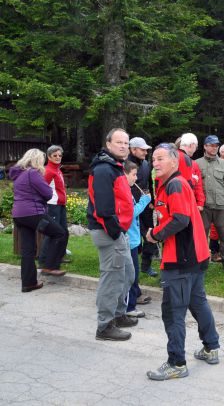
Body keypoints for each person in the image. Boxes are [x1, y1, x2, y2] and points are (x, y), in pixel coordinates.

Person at [145, 144, 221, 380]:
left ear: (174, 162)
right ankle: (211, 348)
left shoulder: (175, 184)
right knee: (198, 303)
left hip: (181, 259)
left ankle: (176, 363)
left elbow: (180, 219)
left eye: (160, 159)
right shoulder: (171, 183)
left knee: (173, 312)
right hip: (195, 256)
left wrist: (154, 235)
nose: (155, 163)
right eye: (153, 159)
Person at [88, 128, 137, 341]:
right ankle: (105, 326)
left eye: (126, 143)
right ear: (108, 143)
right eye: (119, 142)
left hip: (118, 232)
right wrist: (116, 231)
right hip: (109, 232)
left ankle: (118, 314)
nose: (123, 146)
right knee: (112, 279)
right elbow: (104, 208)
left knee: (127, 274)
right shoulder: (103, 170)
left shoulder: (115, 167)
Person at [10, 148, 68, 292]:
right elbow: (48, 193)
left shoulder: (19, 174)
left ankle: (28, 283)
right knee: (59, 233)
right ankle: (49, 265)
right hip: (33, 213)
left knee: (28, 250)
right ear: (37, 160)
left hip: (19, 215)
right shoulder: (33, 173)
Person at [196, 135, 224, 272]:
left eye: (216, 145)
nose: (214, 148)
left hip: (221, 206)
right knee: (201, 235)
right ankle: (201, 262)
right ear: (205, 146)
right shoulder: (197, 163)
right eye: (211, 145)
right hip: (204, 207)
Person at [123, 160, 152, 318]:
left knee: (133, 273)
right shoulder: (125, 192)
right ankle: (129, 307)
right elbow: (130, 214)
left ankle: (129, 304)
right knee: (131, 275)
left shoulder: (128, 190)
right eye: (133, 175)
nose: (136, 178)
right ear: (125, 174)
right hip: (129, 239)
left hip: (133, 239)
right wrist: (144, 201)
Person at [128, 136, 158, 279]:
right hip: (130, 204)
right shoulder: (124, 163)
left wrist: (152, 199)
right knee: (132, 237)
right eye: (143, 150)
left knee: (151, 234)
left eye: (147, 150)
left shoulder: (146, 164)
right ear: (133, 149)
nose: (146, 152)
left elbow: (148, 183)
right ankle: (129, 265)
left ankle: (146, 265)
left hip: (145, 204)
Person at [38, 145, 70, 272]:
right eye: (55, 155)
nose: (58, 157)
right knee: (52, 233)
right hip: (52, 205)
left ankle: (58, 256)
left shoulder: (58, 170)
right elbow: (41, 188)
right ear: (49, 157)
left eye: (59, 155)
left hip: (60, 205)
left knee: (64, 232)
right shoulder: (49, 170)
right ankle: (43, 260)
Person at [177, 133, 205, 212]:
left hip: (187, 203)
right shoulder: (180, 158)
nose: (195, 150)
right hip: (183, 204)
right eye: (196, 147)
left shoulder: (193, 163)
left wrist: (200, 203)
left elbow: (198, 184)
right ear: (191, 145)